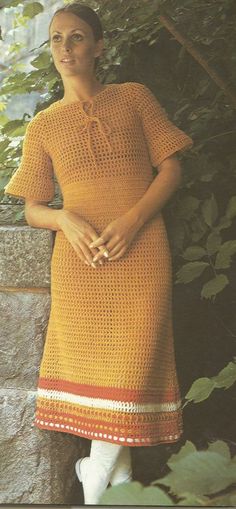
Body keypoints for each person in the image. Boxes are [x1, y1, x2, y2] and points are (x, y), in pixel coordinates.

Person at [4, 2, 193, 505]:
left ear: (100, 46)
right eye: (58, 39)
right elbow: (34, 210)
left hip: (143, 251)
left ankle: (92, 485)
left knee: (131, 368)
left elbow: (171, 169)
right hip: (82, 262)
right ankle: (121, 487)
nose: (67, 48)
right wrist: (65, 218)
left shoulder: (134, 98)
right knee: (102, 375)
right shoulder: (44, 125)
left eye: (78, 37)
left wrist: (134, 219)